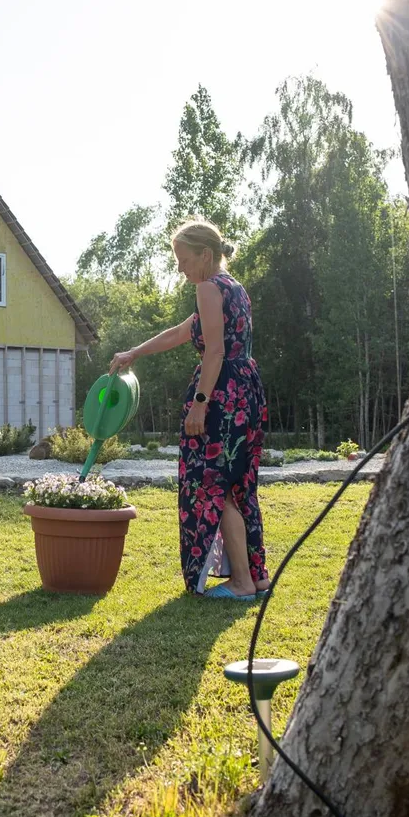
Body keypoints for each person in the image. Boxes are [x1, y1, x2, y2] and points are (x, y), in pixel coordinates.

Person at [109, 220, 269, 599]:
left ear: (205, 255)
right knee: (237, 484)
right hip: (245, 389)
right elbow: (182, 332)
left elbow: (214, 352)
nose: (180, 267)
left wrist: (200, 404)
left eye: (183, 259)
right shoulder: (234, 288)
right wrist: (135, 352)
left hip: (221, 394)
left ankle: (243, 582)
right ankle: (255, 576)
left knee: (216, 486)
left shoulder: (208, 288)